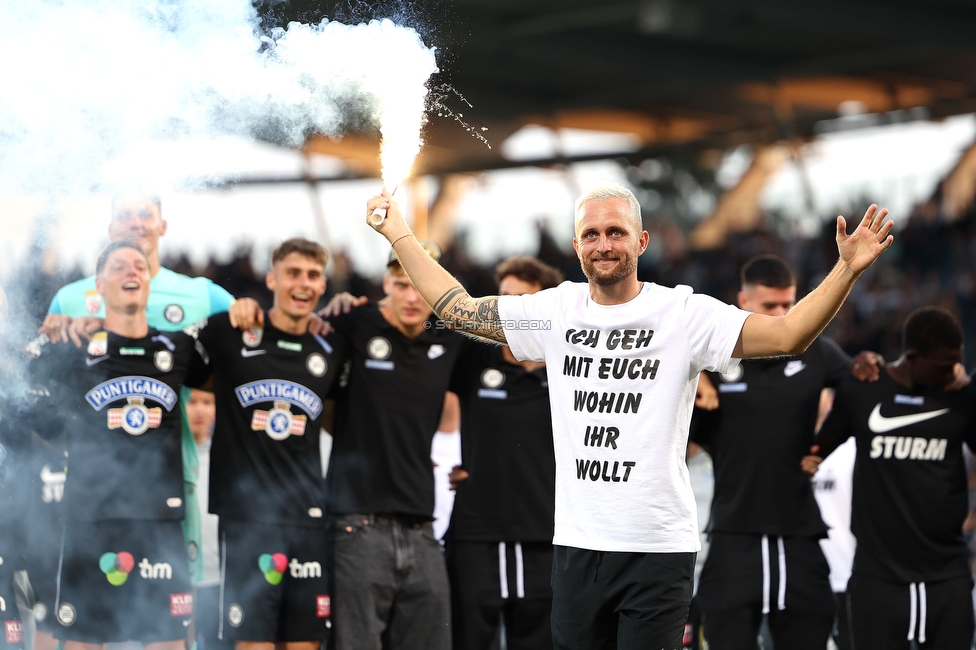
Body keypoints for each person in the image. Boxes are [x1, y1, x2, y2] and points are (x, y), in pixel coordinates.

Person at [364, 181, 893, 649]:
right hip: (576, 545)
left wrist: (846, 269)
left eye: (615, 232)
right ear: (576, 247)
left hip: (657, 547)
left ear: (641, 242)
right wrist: (399, 235)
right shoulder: (554, 310)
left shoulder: (683, 313)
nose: (603, 244)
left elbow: (787, 335)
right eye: (591, 235)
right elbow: (455, 307)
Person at [37, 194, 256, 608]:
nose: (136, 223)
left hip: (173, 477)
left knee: (172, 610)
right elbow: (46, 393)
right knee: (86, 614)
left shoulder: (201, 294)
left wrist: (248, 309)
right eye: (125, 215)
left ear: (163, 226)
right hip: (94, 489)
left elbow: (248, 356)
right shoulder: (69, 299)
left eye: (145, 215)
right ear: (110, 229)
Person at [27, 241, 209, 647]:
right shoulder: (73, 348)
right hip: (90, 523)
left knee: (167, 642)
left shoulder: (178, 347)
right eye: (119, 266)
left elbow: (237, 372)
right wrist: (47, 339)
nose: (132, 272)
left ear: (149, 280)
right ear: (99, 283)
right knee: (84, 641)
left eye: (140, 266)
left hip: (161, 524)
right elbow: (24, 405)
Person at [690, 254, 853, 650]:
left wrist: (823, 445)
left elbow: (863, 392)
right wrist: (691, 380)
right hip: (732, 534)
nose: (783, 315)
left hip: (800, 534)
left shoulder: (818, 353)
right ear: (743, 302)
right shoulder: (710, 356)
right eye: (771, 307)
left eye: (789, 304)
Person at [192, 238, 342, 649]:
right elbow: (179, 369)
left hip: (308, 516)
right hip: (246, 519)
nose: (303, 284)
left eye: (313, 276)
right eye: (293, 273)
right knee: (252, 642)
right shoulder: (231, 330)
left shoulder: (331, 345)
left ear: (323, 285)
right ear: (272, 278)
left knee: (305, 643)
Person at [805, 307, 976, 650]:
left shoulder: (962, 396)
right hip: (877, 578)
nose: (953, 372)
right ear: (912, 357)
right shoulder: (864, 390)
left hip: (947, 575)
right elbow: (815, 451)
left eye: (957, 363)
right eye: (944, 366)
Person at [325, 241, 465, 650]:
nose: (409, 296)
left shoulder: (450, 337)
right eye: (400, 284)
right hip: (357, 525)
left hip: (423, 528)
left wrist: (472, 462)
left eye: (419, 287)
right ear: (386, 282)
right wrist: (329, 310)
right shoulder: (354, 321)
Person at [445, 255, 562, 650]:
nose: (508, 309)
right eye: (503, 298)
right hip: (476, 536)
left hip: (549, 537)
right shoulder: (471, 357)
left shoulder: (571, 369)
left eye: (522, 300)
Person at [185, 388, 230, 650]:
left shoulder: (228, 455)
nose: (200, 410)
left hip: (221, 580)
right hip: (180, 577)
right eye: (192, 402)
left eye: (208, 402)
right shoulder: (170, 455)